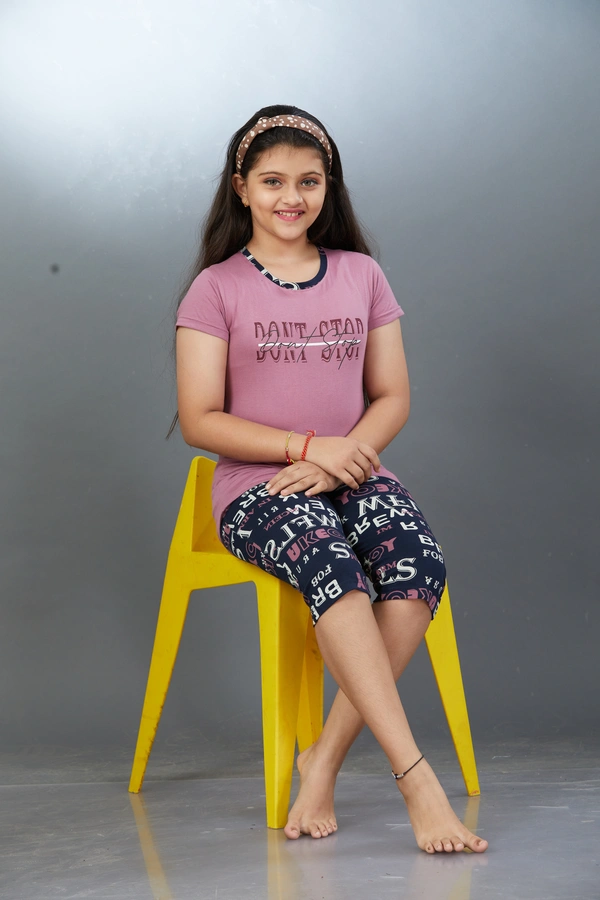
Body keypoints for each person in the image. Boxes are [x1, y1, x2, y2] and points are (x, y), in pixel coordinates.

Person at [168, 104, 489, 855]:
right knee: (331, 564)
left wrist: (340, 457)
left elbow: (393, 396)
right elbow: (199, 419)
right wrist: (305, 448)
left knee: (418, 568)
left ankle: (323, 760)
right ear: (242, 188)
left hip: (353, 470)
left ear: (328, 187)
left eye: (309, 181)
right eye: (273, 181)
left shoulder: (361, 274)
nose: (292, 197)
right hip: (261, 488)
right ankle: (416, 779)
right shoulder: (214, 289)